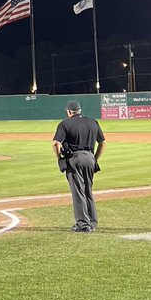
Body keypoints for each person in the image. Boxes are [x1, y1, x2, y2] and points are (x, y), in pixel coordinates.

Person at [51, 100, 105, 233]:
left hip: (75, 160)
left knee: (78, 192)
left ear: (69, 112)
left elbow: (55, 144)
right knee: (88, 190)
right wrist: (95, 159)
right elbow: (102, 143)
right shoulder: (93, 122)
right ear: (80, 111)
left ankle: (83, 224)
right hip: (90, 159)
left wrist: (59, 158)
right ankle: (92, 222)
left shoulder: (64, 124)